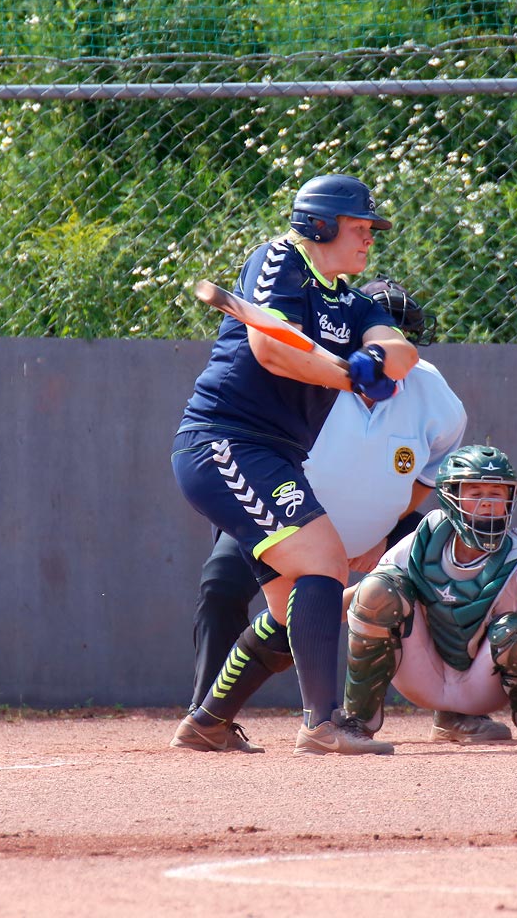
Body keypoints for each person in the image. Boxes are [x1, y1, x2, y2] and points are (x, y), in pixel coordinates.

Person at [170, 174, 419, 756]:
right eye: (358, 229)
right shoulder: (280, 258)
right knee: (326, 558)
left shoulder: (351, 302)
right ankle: (322, 723)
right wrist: (347, 375)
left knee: (290, 611)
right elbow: (272, 348)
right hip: (224, 441)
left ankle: (207, 721)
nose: (367, 241)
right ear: (320, 226)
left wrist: (375, 360)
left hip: (275, 453)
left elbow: (401, 350)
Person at [175, 278, 466, 753]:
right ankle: (206, 713)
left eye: (398, 334)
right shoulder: (306, 383)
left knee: (444, 559)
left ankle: (457, 713)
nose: (387, 344)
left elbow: (425, 478)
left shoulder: (437, 400)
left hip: (368, 528)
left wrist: (383, 535)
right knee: (227, 586)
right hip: (283, 510)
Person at [340, 444, 517, 749]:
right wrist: (308, 617)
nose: (487, 503)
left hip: (480, 685)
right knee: (380, 588)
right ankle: (356, 722)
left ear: (510, 499)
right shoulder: (427, 535)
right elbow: (365, 596)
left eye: (496, 494)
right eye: (474, 493)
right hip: (421, 674)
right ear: (449, 496)